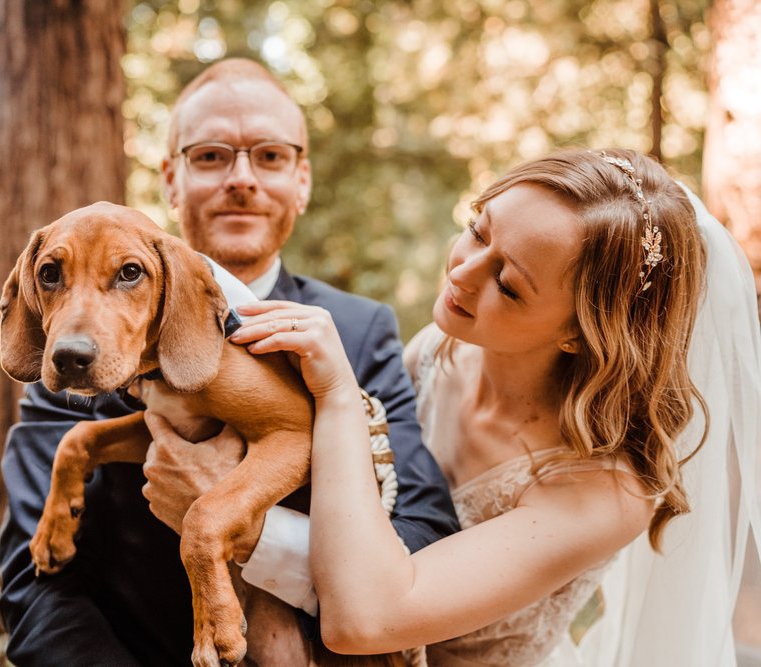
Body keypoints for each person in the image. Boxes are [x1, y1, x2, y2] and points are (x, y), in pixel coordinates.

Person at [145, 148, 761, 665]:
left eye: (509, 284)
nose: (464, 272)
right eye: (477, 228)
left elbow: (365, 620)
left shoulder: (607, 489)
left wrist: (336, 398)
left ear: (581, 332)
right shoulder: (443, 348)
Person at [0, 58, 460, 665]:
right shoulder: (72, 349)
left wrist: (252, 533)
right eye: (211, 156)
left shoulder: (360, 331)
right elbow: (38, 593)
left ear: (302, 180)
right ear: (170, 178)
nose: (241, 179)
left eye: (269, 156)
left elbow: (425, 546)